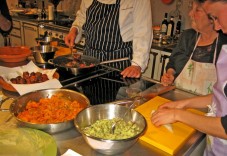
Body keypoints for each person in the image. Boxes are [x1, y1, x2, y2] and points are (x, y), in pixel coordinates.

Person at [152, 0, 227, 155]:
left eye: (214, 17)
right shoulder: (188, 37)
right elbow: (220, 95)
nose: (217, 26)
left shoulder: (223, 43)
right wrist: (182, 104)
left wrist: (178, 114)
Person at [64, 0, 152, 78]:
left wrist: (137, 64)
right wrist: (75, 29)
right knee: (88, 94)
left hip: (117, 63)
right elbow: (82, 16)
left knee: (116, 96)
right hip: (89, 60)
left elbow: (143, 30)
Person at [161, 0, 221, 95]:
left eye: (197, 10)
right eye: (191, 9)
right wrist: (169, 74)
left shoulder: (223, 45)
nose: (190, 14)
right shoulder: (187, 36)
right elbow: (172, 62)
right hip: (177, 99)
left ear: (212, 17)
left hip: (208, 107)